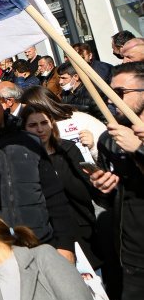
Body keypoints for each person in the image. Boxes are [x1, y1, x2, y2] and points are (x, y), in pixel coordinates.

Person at [0, 81, 77, 259]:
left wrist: (65, 246)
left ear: (3, 103)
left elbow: (54, 197)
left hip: (40, 245)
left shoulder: (29, 141)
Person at [89, 61, 144, 300]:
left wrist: (140, 149)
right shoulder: (109, 139)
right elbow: (109, 197)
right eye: (109, 93)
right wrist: (102, 186)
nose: (112, 101)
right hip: (133, 259)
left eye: (120, 94)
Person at [21, 104, 105, 270]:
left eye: (44, 123)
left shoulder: (67, 149)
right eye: (33, 125)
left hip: (82, 230)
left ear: (52, 123)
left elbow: (86, 189)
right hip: (49, 236)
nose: (40, 129)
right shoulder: (23, 159)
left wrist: (97, 180)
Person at [20, 85, 105, 162]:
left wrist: (92, 146)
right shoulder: (24, 132)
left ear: (44, 104)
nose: (40, 129)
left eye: (29, 109)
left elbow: (109, 154)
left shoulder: (81, 120)